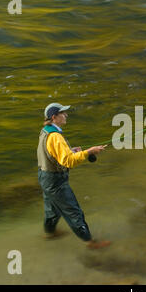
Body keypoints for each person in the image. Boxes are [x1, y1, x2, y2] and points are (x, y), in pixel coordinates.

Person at [37, 102, 111, 249]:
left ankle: (50, 234)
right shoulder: (56, 136)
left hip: (44, 177)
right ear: (54, 117)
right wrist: (89, 152)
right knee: (74, 212)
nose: (66, 115)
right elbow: (68, 161)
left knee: (52, 210)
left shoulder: (46, 131)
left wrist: (71, 150)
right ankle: (90, 242)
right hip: (56, 181)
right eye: (63, 113)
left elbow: (54, 153)